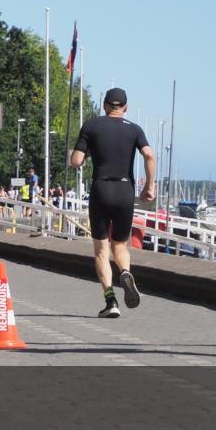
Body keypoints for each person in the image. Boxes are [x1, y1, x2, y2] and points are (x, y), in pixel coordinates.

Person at [70, 87, 156, 318]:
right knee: (120, 246)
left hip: (101, 189)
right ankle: (125, 272)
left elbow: (76, 161)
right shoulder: (134, 129)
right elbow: (149, 155)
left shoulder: (91, 126)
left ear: (105, 105)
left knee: (101, 251)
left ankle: (111, 301)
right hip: (124, 190)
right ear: (125, 108)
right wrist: (149, 186)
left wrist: (84, 152)